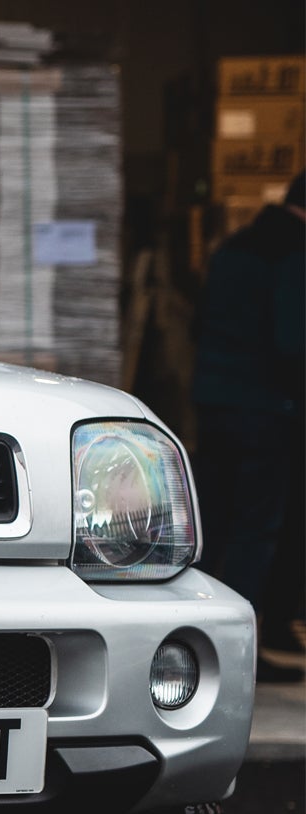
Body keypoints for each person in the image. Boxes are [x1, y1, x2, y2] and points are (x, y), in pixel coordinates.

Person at [192, 172, 305, 682]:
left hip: (215, 404)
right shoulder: (293, 252)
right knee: (256, 531)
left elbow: (202, 323)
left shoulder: (234, 246)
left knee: (217, 522)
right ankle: (240, 651)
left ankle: (205, 637)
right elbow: (292, 340)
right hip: (266, 409)